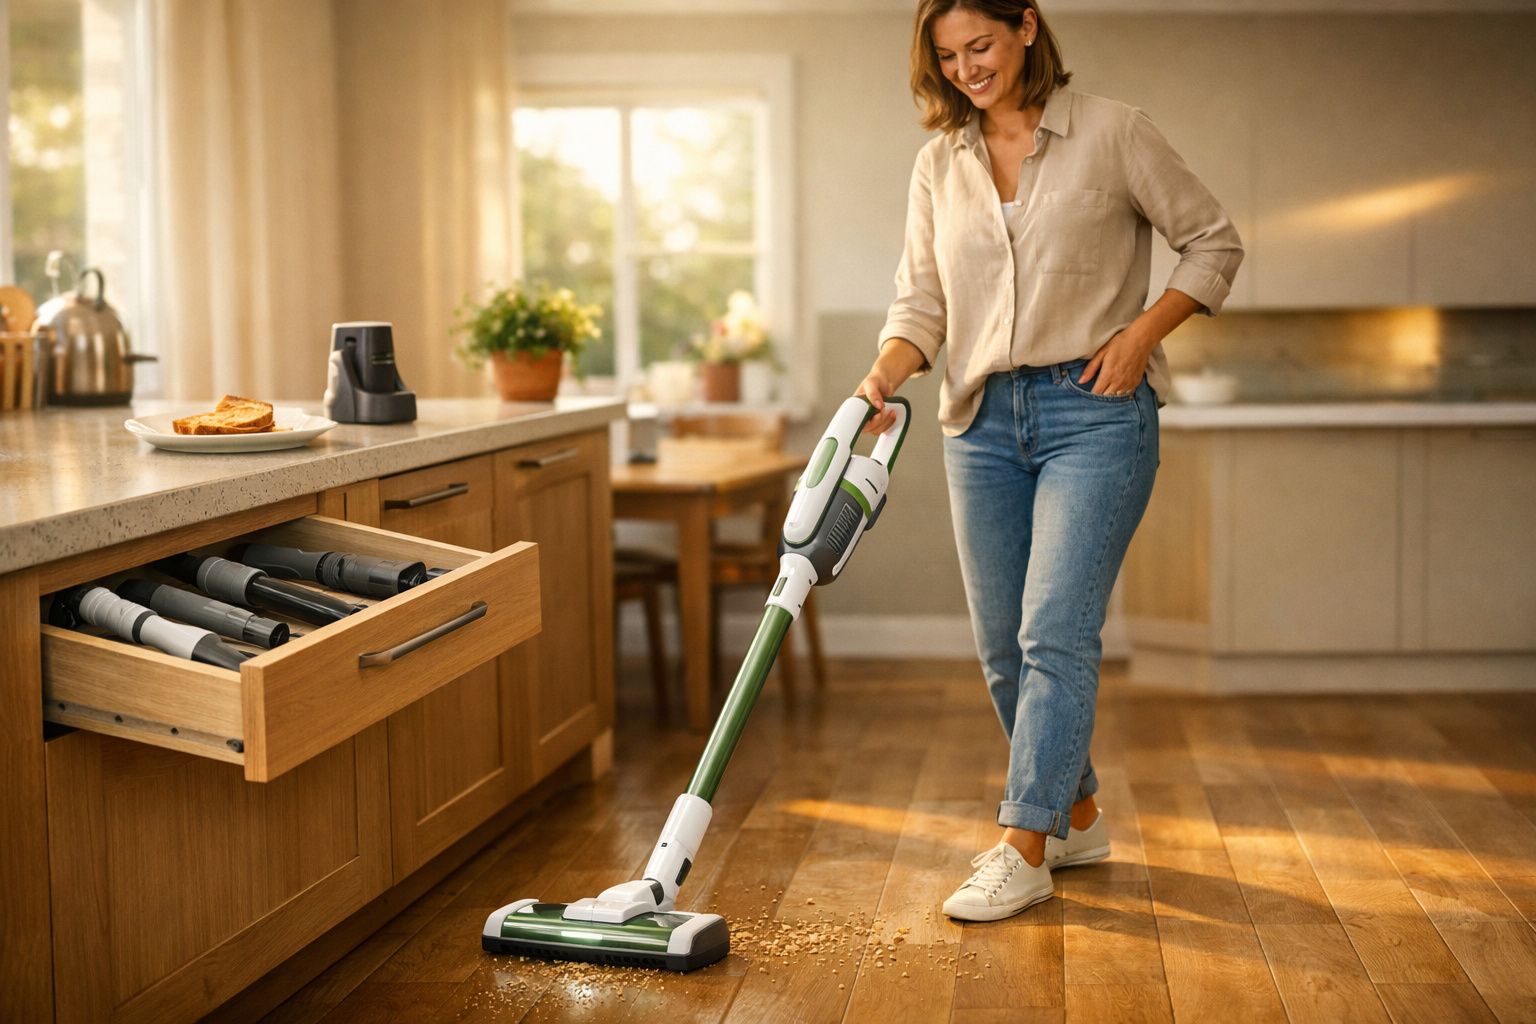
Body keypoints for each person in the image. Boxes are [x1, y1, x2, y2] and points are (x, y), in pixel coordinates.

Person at [857, 0, 1243, 922]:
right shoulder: (938, 164)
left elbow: (1213, 241)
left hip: (1096, 414)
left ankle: (1022, 847)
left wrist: (1144, 333)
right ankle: (1076, 814)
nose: (966, 69)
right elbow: (921, 302)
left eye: (980, 45)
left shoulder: (1115, 133)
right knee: (1001, 648)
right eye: (947, 56)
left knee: (1053, 634)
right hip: (980, 419)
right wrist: (878, 377)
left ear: (1028, 26)